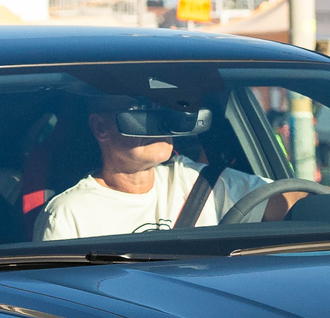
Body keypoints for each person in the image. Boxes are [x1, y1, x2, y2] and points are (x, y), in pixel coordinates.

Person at [37, 96, 268, 240]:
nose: (160, 121)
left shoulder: (201, 180)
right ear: (100, 128)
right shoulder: (69, 214)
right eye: (140, 108)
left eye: (162, 106)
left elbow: (294, 202)